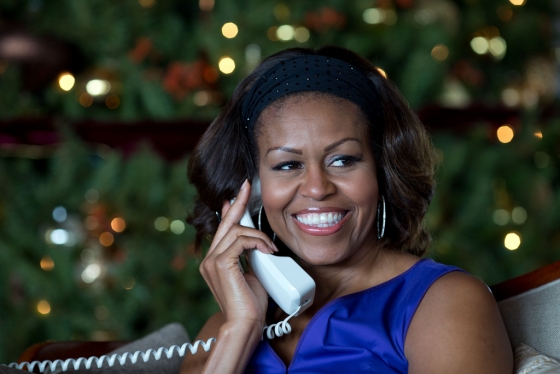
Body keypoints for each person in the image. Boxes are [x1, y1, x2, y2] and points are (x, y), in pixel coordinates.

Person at [181, 46, 512, 373]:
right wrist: (240, 332)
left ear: (382, 170)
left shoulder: (445, 304)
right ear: (251, 190)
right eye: (287, 165)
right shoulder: (221, 332)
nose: (317, 188)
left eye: (343, 160)